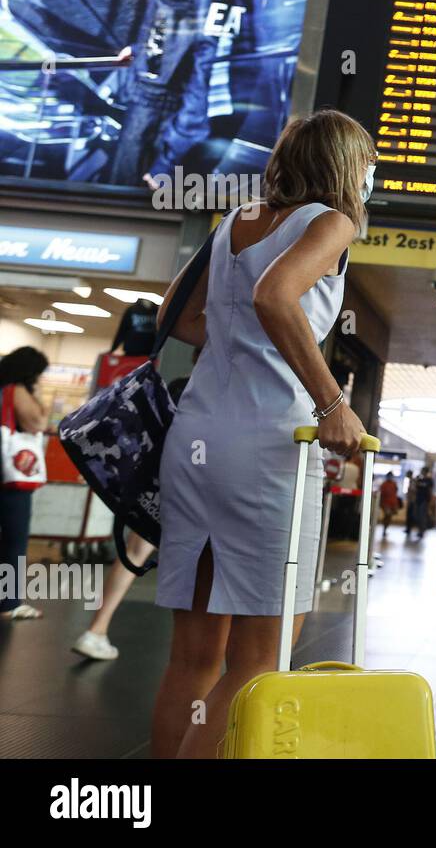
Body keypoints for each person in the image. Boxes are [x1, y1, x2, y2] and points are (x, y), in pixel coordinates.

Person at [149, 108, 374, 758]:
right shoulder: (335, 222)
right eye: (368, 164)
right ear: (346, 166)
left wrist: (241, 347)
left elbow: (174, 317)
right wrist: (332, 402)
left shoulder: (235, 221)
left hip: (197, 439)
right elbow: (275, 296)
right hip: (271, 450)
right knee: (258, 661)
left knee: (193, 660)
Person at [110, 0, 252, 188]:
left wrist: (169, 162)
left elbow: (211, 65)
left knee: (131, 217)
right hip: (146, 105)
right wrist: (140, 51)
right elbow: (172, 26)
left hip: (165, 118)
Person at [72, 360, 199, 660]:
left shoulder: (179, 386)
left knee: (136, 549)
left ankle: (97, 628)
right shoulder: (224, 394)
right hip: (202, 488)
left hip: (164, 480)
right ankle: (195, 654)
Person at [0, 347, 51, 622]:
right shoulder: (16, 389)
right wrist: (36, 393)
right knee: (13, 541)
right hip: (8, 479)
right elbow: (38, 422)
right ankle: (9, 603)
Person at [408, 467, 432, 540]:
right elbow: (414, 488)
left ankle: (422, 531)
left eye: (423, 471)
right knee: (416, 515)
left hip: (424, 501)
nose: (422, 472)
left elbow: (430, 491)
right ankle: (419, 530)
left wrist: (429, 501)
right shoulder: (418, 479)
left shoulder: (429, 480)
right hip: (417, 500)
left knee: (422, 516)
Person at [378, 473, 401, 538]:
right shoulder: (384, 484)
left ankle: (385, 528)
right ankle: (384, 529)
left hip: (392, 503)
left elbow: (395, 493)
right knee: (387, 515)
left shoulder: (394, 484)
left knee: (389, 516)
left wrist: (395, 504)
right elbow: (381, 494)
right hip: (385, 503)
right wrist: (381, 503)